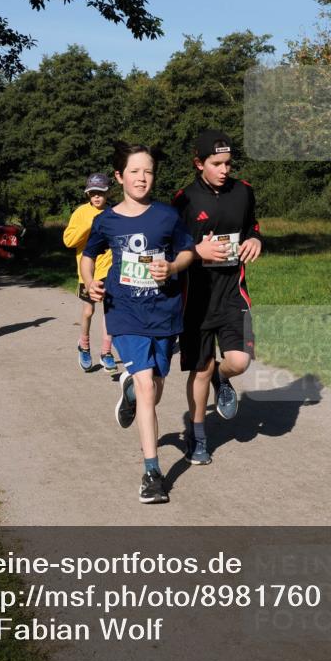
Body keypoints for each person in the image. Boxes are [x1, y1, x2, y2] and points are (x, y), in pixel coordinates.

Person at [81, 142, 194, 504]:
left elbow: (188, 251)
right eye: (134, 171)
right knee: (148, 387)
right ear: (119, 177)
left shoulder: (167, 216)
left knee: (154, 388)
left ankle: (129, 392)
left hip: (164, 313)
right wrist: (90, 282)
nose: (142, 178)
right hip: (124, 312)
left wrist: (172, 266)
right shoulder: (106, 220)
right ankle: (152, 474)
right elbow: (88, 255)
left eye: (148, 171)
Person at [172, 130, 262, 465]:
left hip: (233, 292)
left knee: (239, 361)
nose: (224, 170)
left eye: (228, 163)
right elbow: (170, 247)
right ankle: (198, 437)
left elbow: (253, 226)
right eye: (216, 164)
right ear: (199, 163)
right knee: (201, 369)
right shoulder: (184, 199)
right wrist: (198, 251)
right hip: (196, 298)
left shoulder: (243, 191)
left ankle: (223, 378)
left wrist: (256, 240)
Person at [63, 173, 116, 373]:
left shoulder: (114, 212)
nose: (96, 197)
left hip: (110, 269)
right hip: (88, 271)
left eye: (100, 193)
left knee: (110, 312)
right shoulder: (81, 212)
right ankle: (84, 346)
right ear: (88, 194)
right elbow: (68, 241)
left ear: (108, 193)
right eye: (93, 193)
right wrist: (88, 226)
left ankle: (106, 352)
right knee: (88, 311)